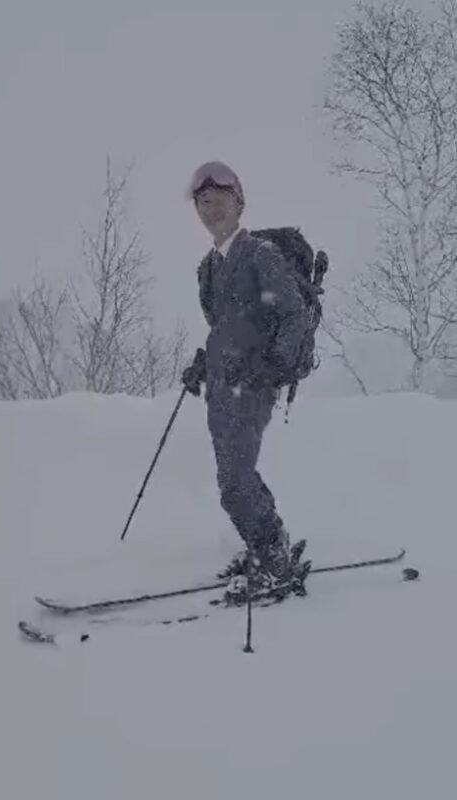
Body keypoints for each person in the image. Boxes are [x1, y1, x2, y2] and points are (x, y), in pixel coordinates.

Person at [182, 161, 309, 603]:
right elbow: (226, 327)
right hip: (221, 388)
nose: (209, 207)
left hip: (252, 384)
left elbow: (292, 315)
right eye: (201, 202)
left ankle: (276, 560)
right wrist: (204, 361)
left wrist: (274, 366)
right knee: (233, 479)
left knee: (234, 483)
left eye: (218, 199)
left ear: (239, 202)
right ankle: (265, 545)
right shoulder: (208, 268)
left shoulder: (261, 255)